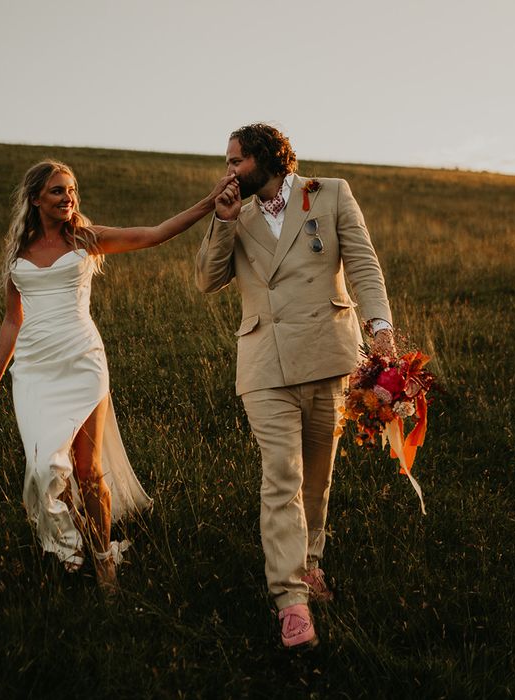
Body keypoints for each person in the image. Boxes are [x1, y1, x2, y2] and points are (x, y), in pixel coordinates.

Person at [0, 159, 238, 591]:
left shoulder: (86, 239)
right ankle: (70, 544)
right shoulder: (17, 256)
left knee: (87, 471)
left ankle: (102, 562)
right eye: (58, 191)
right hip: (33, 370)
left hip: (82, 360)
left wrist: (210, 202)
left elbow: (155, 235)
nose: (68, 198)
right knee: (44, 468)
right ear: (36, 198)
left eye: (72, 190)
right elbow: (11, 321)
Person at [195, 124, 395, 647]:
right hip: (263, 361)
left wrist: (380, 329)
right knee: (280, 475)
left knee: (317, 477)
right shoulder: (236, 214)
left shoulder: (329, 193)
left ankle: (310, 563)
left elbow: (364, 265)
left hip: (328, 353)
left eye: (236, 160)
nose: (229, 171)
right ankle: (291, 600)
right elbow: (206, 280)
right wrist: (222, 222)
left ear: (263, 157)